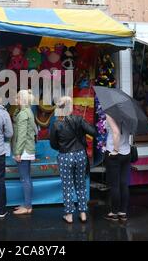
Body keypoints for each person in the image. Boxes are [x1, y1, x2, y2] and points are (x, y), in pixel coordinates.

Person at [50, 96, 96, 224]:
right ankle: (82, 213)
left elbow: (53, 144)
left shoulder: (56, 124)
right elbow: (93, 132)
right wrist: (83, 126)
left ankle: (69, 215)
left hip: (65, 156)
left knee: (67, 186)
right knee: (81, 184)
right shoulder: (79, 119)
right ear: (70, 107)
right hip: (81, 155)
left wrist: (63, 147)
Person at [11, 90, 37, 215]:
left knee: (25, 178)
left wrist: (17, 152)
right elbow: (35, 131)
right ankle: (28, 204)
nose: (15, 100)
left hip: (23, 150)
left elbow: (21, 135)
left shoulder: (23, 114)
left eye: (17, 98)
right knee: (27, 178)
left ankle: (27, 207)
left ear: (21, 100)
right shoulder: (28, 111)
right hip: (28, 148)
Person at [104, 114, 132, 222]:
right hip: (126, 152)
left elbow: (116, 132)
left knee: (115, 184)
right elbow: (129, 133)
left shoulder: (110, 115)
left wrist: (115, 150)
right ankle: (123, 212)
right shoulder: (128, 116)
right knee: (124, 183)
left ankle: (114, 213)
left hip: (114, 153)